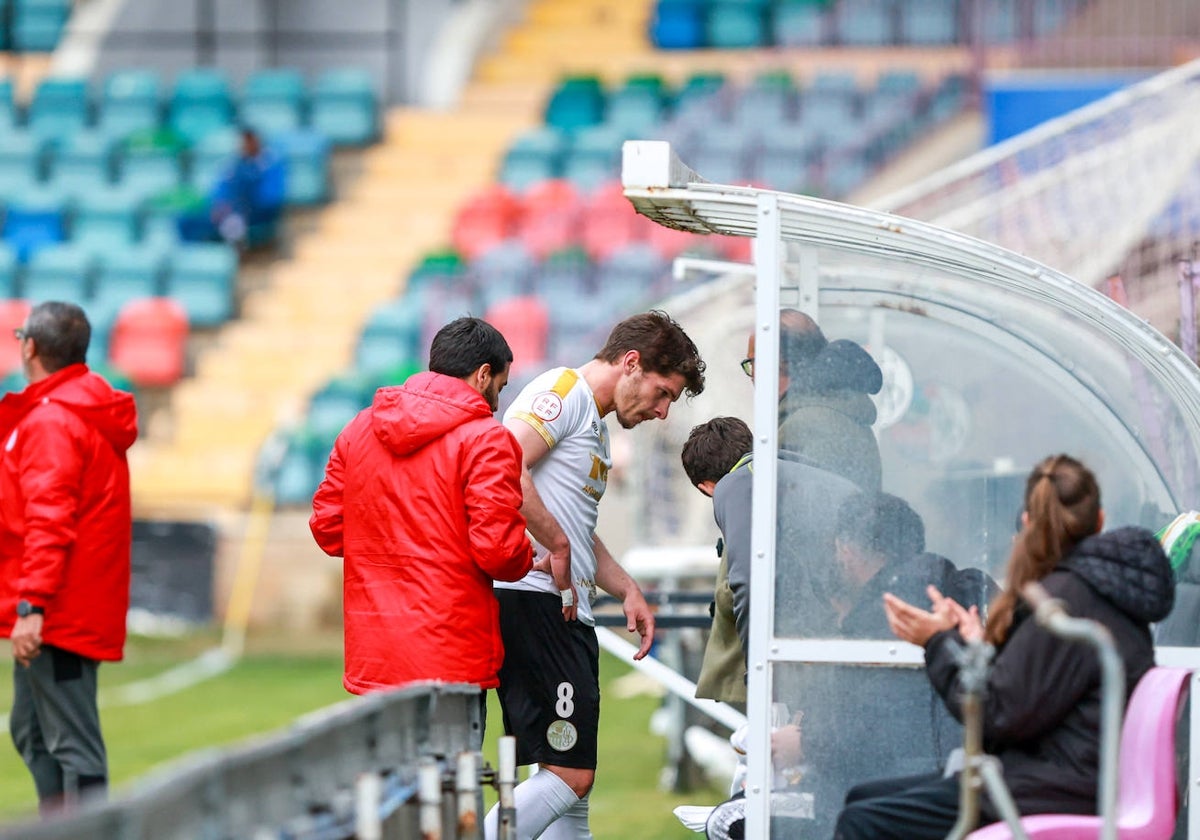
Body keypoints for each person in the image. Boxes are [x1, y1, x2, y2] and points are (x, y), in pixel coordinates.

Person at [833, 454, 1175, 840]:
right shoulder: (1105, 595)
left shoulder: (1061, 602)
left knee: (861, 820)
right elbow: (1034, 693)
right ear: (1098, 521)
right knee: (862, 798)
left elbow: (996, 717)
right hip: (1074, 776)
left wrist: (937, 642)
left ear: (1027, 525)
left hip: (1051, 788)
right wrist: (972, 645)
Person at [484, 311, 706, 840]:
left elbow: (575, 527)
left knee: (572, 787)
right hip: (534, 601)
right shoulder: (563, 392)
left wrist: (626, 587)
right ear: (632, 363)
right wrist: (556, 543)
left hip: (562, 611)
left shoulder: (596, 427)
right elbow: (500, 462)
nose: (661, 410)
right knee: (570, 775)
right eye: (662, 392)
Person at [309, 317, 534, 697]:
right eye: (500, 386)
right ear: (483, 375)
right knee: (453, 759)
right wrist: (529, 554)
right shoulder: (487, 439)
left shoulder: (358, 429)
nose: (498, 403)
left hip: (375, 654)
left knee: (382, 758)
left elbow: (328, 530)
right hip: (451, 655)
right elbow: (499, 553)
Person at [0, 301, 139, 815]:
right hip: (62, 601)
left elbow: (48, 518)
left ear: (30, 346)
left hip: (58, 609)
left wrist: (32, 605)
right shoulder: (72, 411)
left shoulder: (54, 421)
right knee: (32, 732)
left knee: (70, 743)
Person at [679, 416, 858, 710]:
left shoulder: (736, 484)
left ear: (707, 487)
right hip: (854, 636)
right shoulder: (803, 472)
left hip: (811, 658)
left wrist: (761, 672)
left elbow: (750, 581)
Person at [743, 309, 882, 491]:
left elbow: (796, 509)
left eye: (753, 362)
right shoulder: (834, 408)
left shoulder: (805, 426)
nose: (751, 375)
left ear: (777, 361)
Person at [208, 127, 287, 249]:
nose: (246, 145)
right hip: (235, 210)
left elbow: (271, 196)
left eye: (250, 141)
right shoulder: (234, 165)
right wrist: (223, 205)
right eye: (244, 142)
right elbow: (222, 190)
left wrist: (245, 206)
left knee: (235, 221)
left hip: (259, 211)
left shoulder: (271, 163)